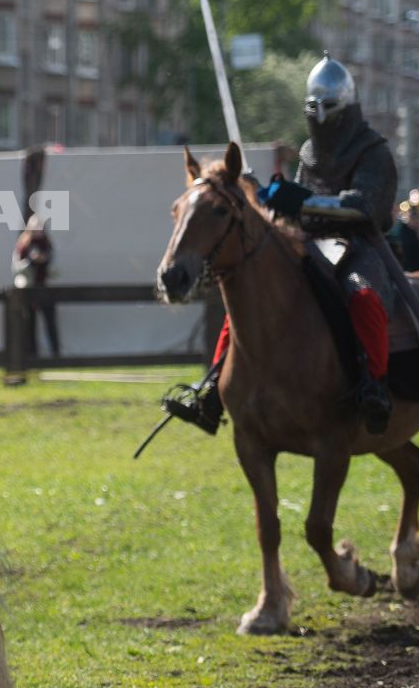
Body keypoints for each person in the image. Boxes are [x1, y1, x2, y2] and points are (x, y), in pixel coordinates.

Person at [168, 55, 395, 435]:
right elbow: (298, 211)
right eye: (314, 108)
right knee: (250, 299)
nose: (321, 116)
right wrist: (268, 197)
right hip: (311, 244)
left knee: (362, 295)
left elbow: (362, 206)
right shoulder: (309, 152)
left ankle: (375, 384)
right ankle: (212, 388)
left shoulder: (373, 151)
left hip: (359, 246)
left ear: (347, 107)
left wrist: (299, 200)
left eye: (329, 107)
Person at [13, 215, 59, 357]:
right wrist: (31, 261)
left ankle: (55, 354)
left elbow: (56, 269)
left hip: (45, 288)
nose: (38, 230)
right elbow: (17, 268)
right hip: (29, 289)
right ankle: (32, 355)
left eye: (40, 227)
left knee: (50, 322)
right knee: (29, 324)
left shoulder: (48, 244)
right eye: (35, 228)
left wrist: (45, 261)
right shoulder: (23, 245)